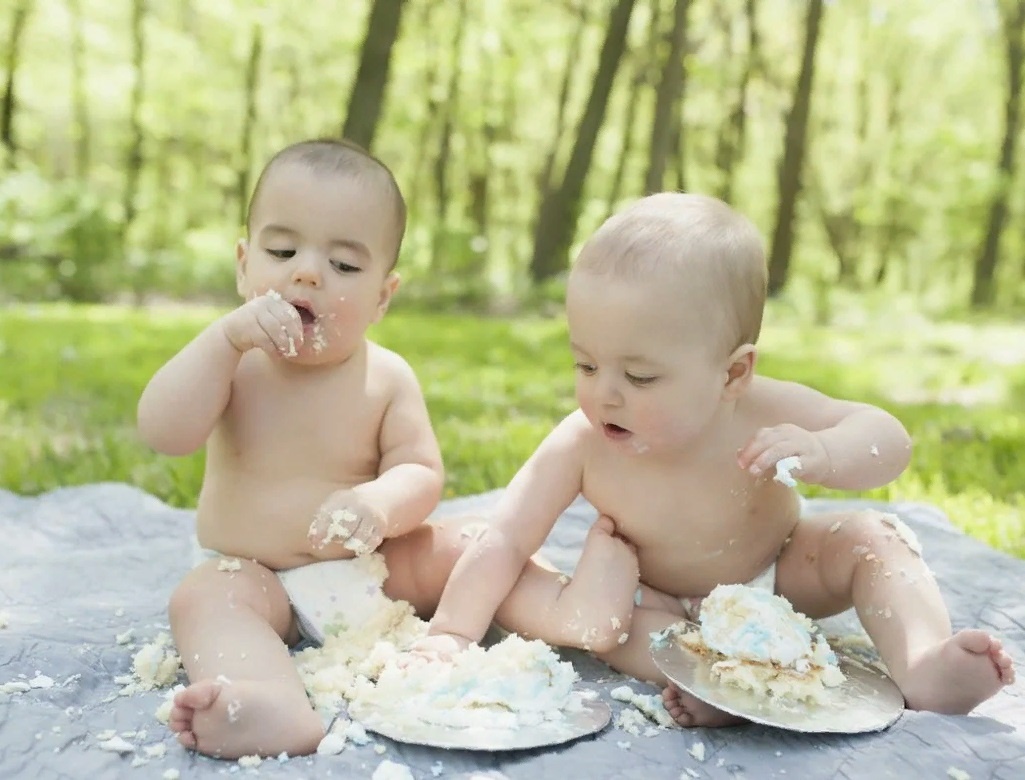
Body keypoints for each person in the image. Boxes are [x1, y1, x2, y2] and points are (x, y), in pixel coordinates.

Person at [415, 192, 1016, 727]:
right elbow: (505, 541)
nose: (606, 394)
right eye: (586, 365)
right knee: (611, 630)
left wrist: (827, 452)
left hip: (781, 573)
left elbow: (889, 439)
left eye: (641, 375)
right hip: (660, 601)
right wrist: (450, 633)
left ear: (732, 373)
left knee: (873, 536)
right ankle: (717, 685)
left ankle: (924, 664)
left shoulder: (761, 406)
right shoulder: (581, 442)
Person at [137, 138, 636, 760]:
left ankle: (569, 610)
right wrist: (221, 342)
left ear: (382, 296)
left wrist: (378, 503)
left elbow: (420, 472)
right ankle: (263, 699)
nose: (307, 272)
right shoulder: (232, 365)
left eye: (345, 265)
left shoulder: (387, 377)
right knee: (202, 595)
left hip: (375, 568)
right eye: (282, 250)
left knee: (474, 541)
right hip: (260, 579)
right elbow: (164, 432)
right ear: (244, 266)